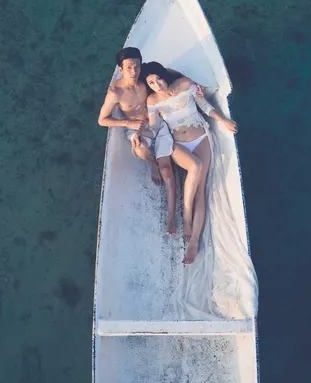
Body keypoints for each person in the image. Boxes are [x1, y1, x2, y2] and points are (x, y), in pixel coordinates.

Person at [97, 47, 206, 236]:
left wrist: (195, 86)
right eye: (129, 68)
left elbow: (169, 73)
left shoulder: (145, 76)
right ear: (120, 69)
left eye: (137, 66)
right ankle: (152, 162)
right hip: (135, 128)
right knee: (140, 150)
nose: (134, 72)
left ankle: (171, 216)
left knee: (168, 173)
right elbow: (102, 120)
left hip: (157, 124)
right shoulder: (115, 92)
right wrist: (128, 122)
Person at [141, 61, 237, 264]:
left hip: (201, 138)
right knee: (195, 166)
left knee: (200, 190)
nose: (157, 85)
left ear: (164, 75)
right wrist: (139, 135)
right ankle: (185, 216)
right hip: (178, 145)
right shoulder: (152, 101)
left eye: (158, 79)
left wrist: (223, 120)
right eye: (151, 83)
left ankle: (193, 242)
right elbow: (155, 127)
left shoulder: (185, 84)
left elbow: (205, 106)